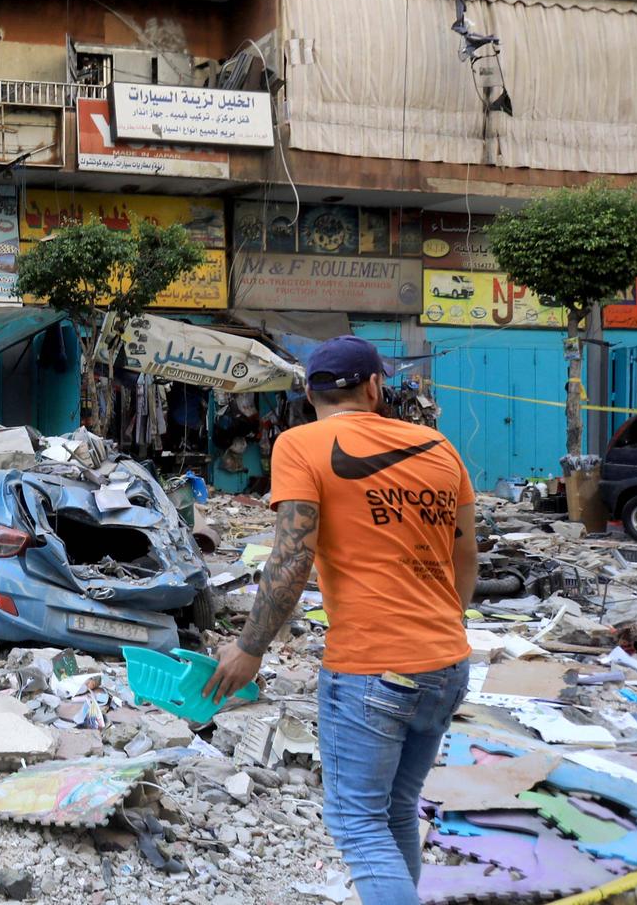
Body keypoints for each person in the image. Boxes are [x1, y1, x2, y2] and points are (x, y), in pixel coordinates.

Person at [203, 336, 477, 905]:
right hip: (447, 662)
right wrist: (448, 622)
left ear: (307, 392)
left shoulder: (301, 444)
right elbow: (465, 552)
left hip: (373, 669)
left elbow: (291, 557)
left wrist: (250, 647)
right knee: (395, 811)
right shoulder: (439, 447)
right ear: (375, 385)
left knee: (357, 824)